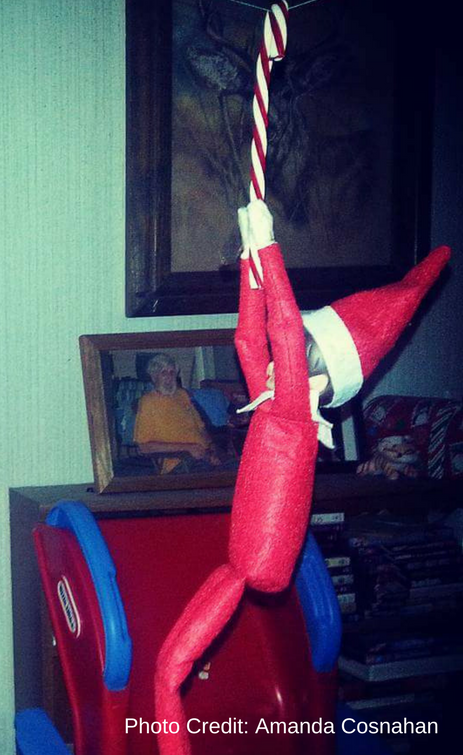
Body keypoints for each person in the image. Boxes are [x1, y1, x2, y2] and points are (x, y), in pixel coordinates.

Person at [152, 198, 450, 755]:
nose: (272, 362)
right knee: (168, 669)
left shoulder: (291, 409)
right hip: (242, 561)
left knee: (170, 668)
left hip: (258, 563)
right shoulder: (274, 399)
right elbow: (250, 340)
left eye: (295, 360)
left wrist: (268, 245)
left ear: (318, 374)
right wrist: (250, 263)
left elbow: (285, 330)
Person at [132, 353, 220, 473]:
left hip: (205, 458)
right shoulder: (148, 402)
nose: (169, 377)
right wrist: (188, 448)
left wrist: (212, 450)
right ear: (154, 377)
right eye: (164, 373)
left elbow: (201, 428)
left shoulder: (182, 395)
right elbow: (144, 447)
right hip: (180, 463)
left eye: (172, 372)